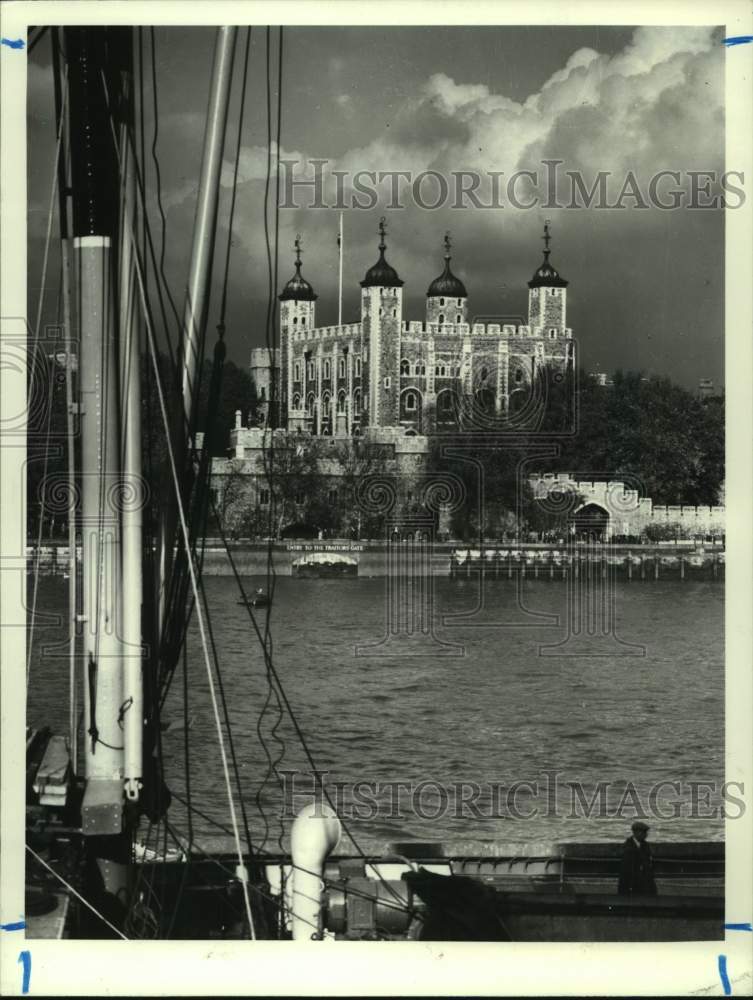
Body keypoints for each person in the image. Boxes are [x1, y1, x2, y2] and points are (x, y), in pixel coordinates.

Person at [617, 821, 657, 895]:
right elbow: (628, 870)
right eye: (643, 832)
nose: (646, 834)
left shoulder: (645, 845)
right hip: (631, 883)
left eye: (646, 832)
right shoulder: (628, 847)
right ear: (636, 832)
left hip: (643, 881)